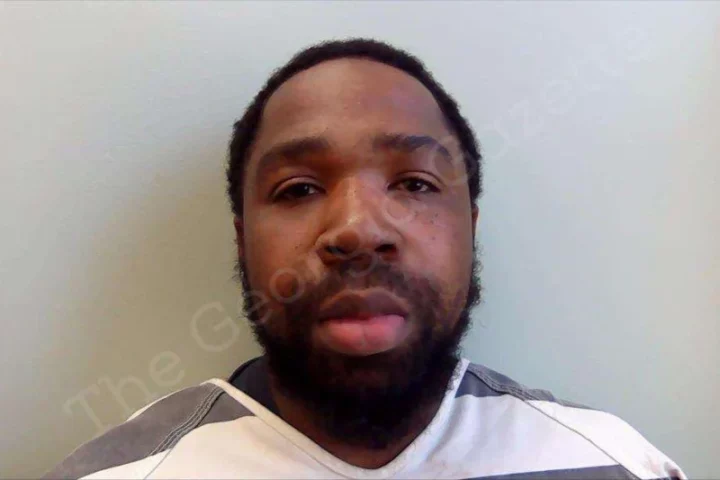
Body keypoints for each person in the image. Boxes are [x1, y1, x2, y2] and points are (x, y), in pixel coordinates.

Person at [45, 38, 685, 480]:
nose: (357, 230)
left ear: (471, 229)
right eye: (299, 189)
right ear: (242, 240)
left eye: (415, 184)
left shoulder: (618, 465)